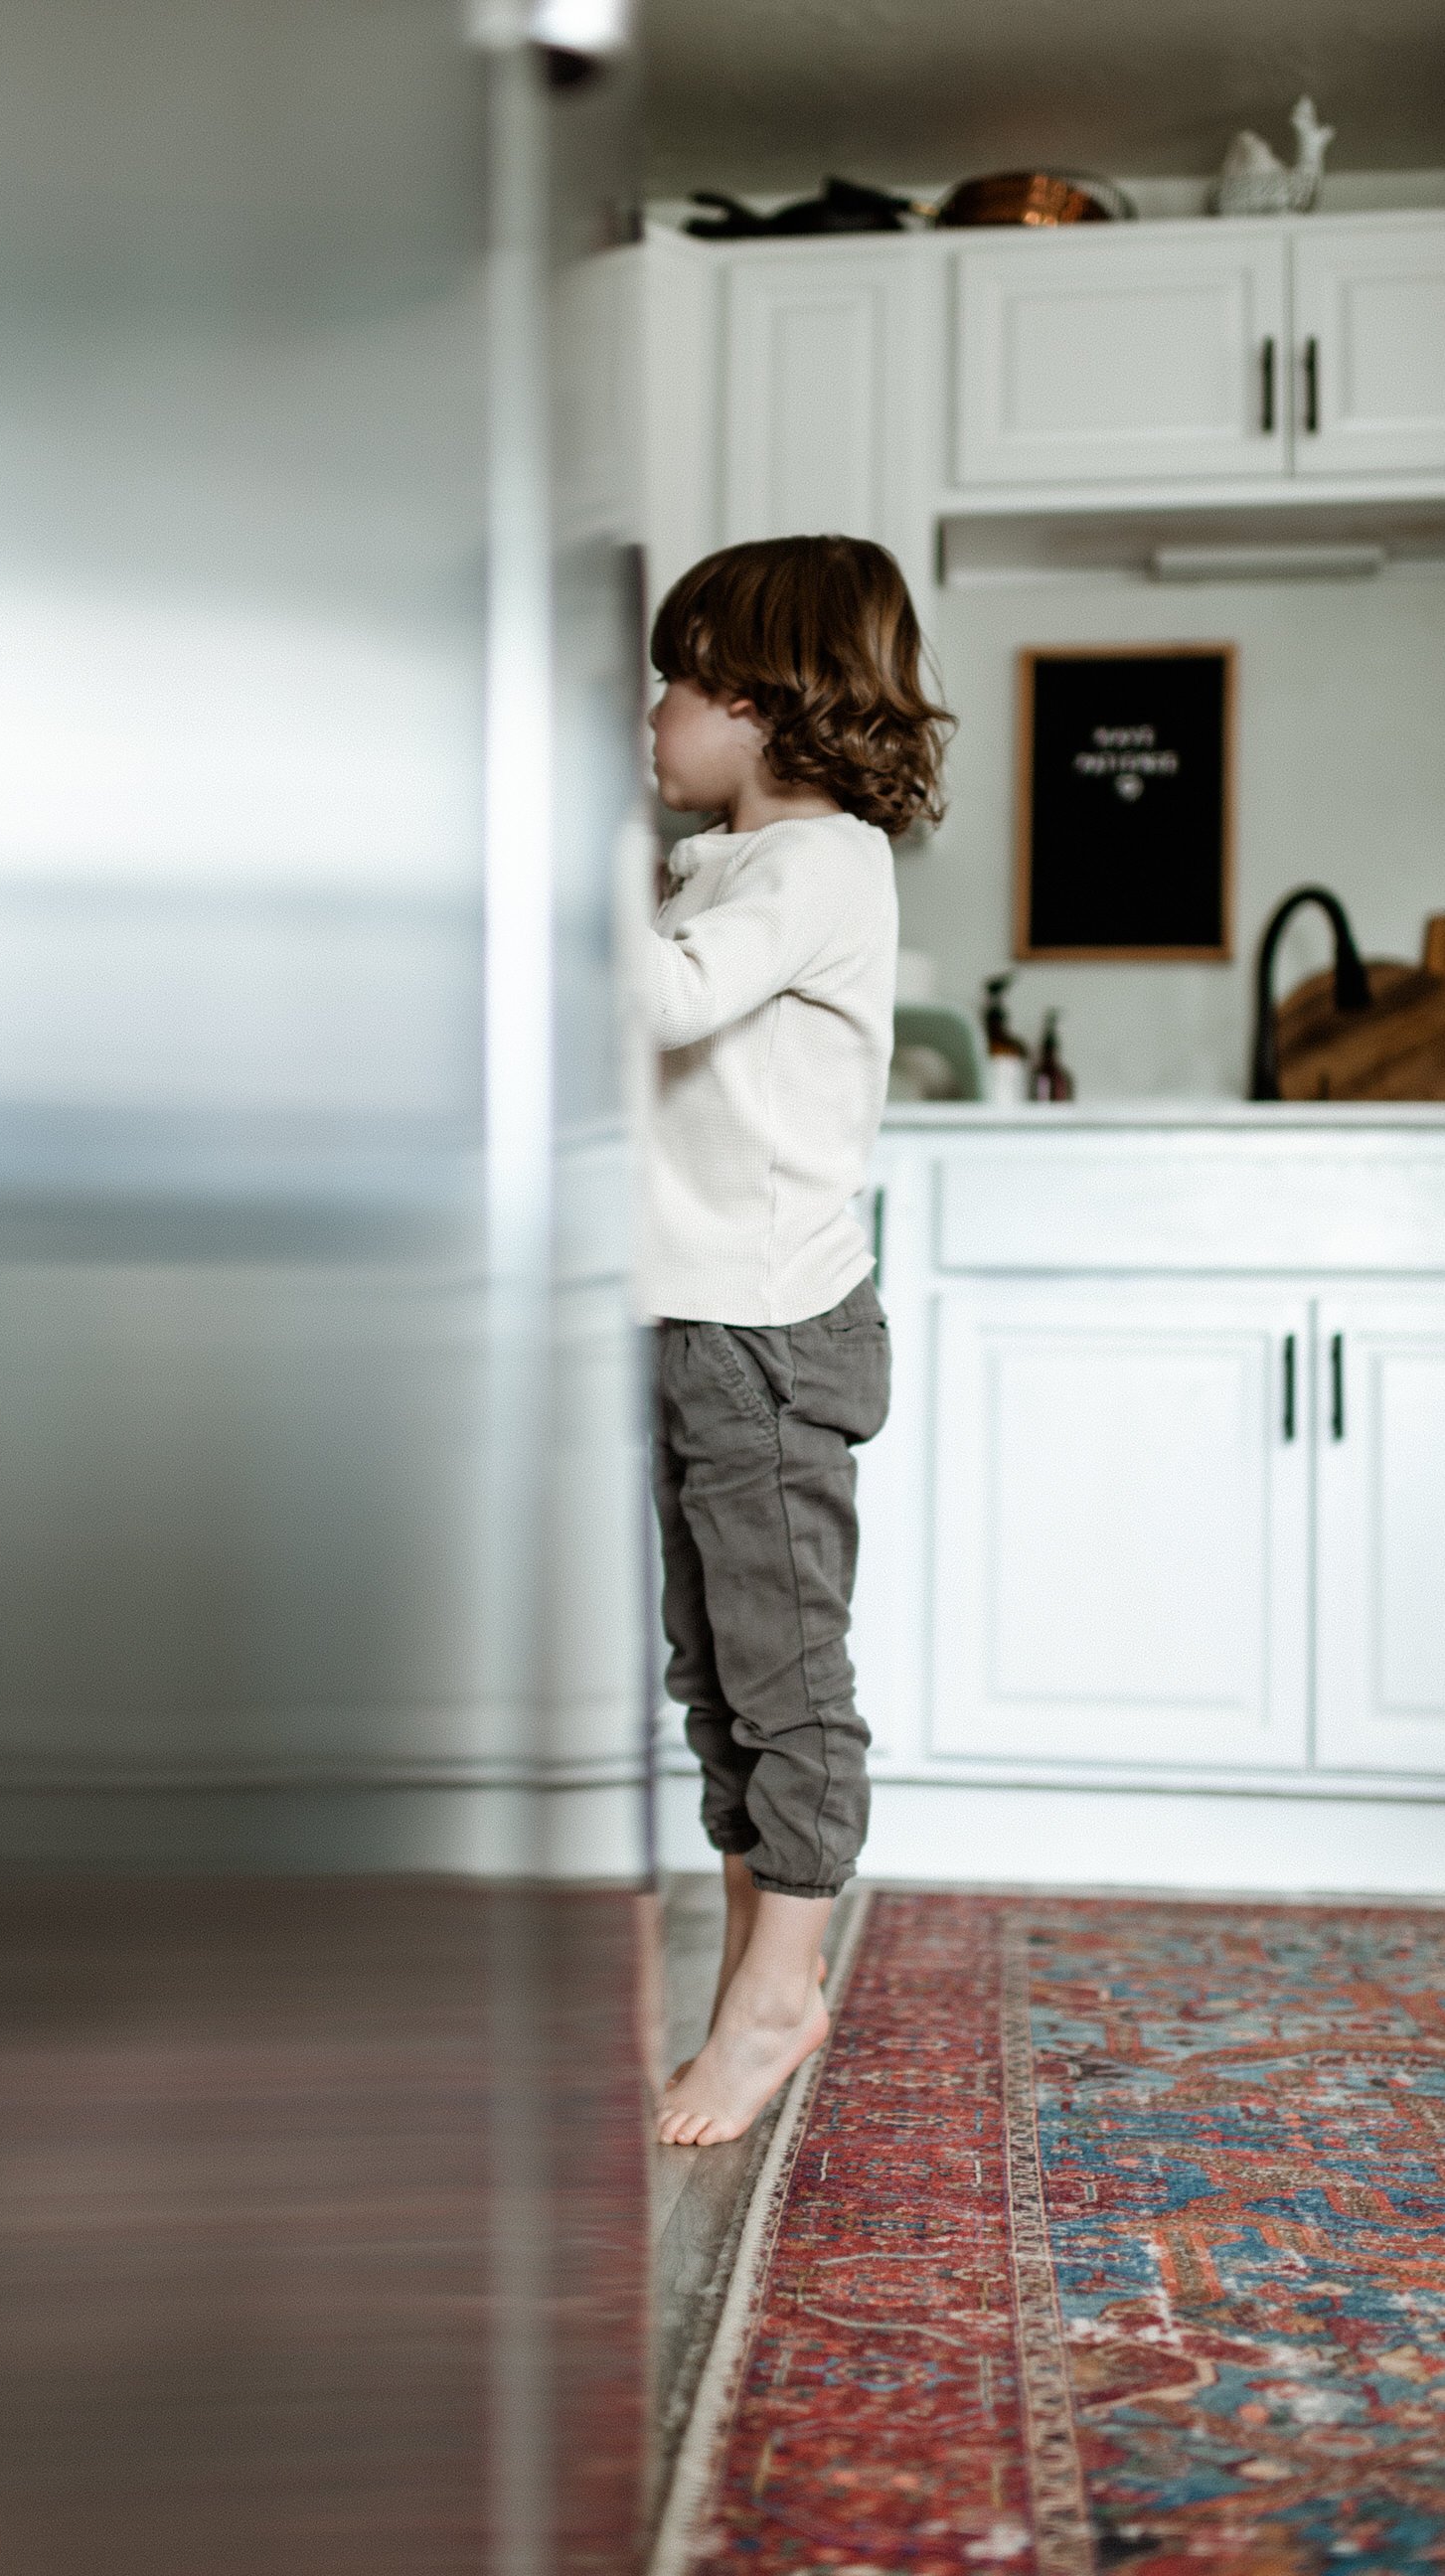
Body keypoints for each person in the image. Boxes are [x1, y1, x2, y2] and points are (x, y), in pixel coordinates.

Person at [641, 533, 951, 2148]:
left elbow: (669, 1002)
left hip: (765, 1333)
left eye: (676, 679)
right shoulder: (719, 868)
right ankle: (745, 1988)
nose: (654, 711)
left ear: (758, 704)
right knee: (713, 1679)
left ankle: (777, 1996)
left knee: (782, 1683)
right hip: (697, 1322)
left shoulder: (816, 866)